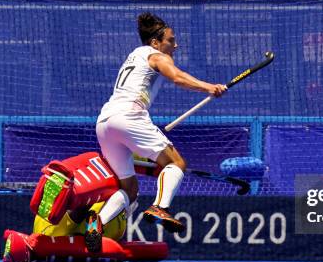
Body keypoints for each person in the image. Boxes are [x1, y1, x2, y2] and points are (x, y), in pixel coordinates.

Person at [94, 12, 226, 249]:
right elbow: (177, 78)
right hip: (129, 117)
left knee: (129, 189)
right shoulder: (156, 56)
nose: (175, 45)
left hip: (104, 122)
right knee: (175, 163)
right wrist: (210, 87)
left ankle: (96, 225)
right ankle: (160, 207)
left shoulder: (134, 55)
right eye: (171, 40)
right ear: (155, 42)